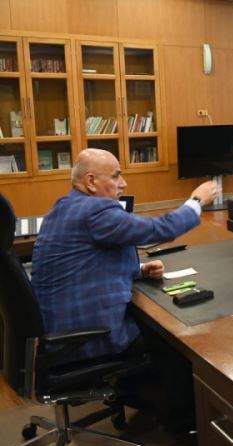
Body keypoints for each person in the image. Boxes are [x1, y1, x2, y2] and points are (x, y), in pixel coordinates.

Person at [31, 148, 218, 429]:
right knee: (173, 336)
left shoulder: (64, 206)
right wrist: (196, 201)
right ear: (91, 181)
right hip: (84, 337)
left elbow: (88, 261)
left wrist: (139, 270)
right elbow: (158, 230)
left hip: (57, 332)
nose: (124, 184)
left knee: (150, 322)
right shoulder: (95, 210)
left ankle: (137, 394)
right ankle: (184, 418)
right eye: (116, 176)